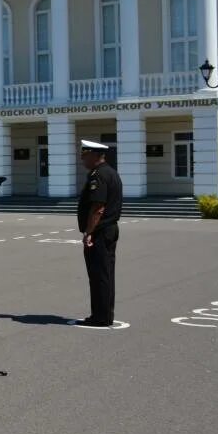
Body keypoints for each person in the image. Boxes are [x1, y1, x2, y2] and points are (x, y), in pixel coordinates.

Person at [76, 139, 123, 327]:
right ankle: (104, 314)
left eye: (85, 156)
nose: (82, 160)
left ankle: (101, 316)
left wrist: (89, 232)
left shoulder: (99, 175)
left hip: (101, 231)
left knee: (99, 275)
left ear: (95, 155)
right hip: (108, 230)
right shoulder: (110, 172)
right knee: (105, 274)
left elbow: (98, 207)